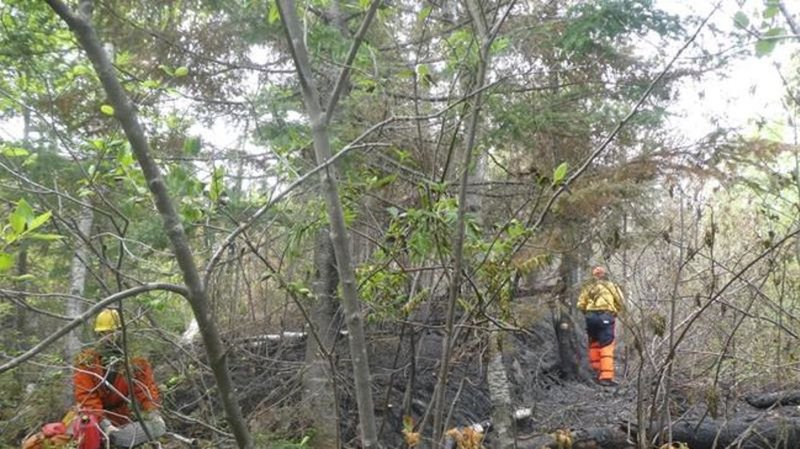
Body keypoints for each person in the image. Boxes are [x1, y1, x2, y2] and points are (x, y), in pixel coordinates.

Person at [73, 308, 166, 447]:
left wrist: (153, 412)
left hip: (120, 415)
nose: (108, 337)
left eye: (112, 333)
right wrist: (104, 424)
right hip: (92, 417)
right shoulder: (87, 361)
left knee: (129, 437)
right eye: (103, 333)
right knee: (90, 434)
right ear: (97, 335)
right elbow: (86, 396)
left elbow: (145, 389)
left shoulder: (135, 361)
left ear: (121, 333)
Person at [577, 266, 625, 387]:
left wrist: (588, 313)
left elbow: (580, 304)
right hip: (605, 315)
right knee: (606, 345)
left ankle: (596, 373)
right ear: (605, 275)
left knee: (594, 343)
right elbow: (621, 301)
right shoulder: (611, 286)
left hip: (590, 317)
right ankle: (606, 377)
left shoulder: (588, 287)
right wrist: (614, 311)